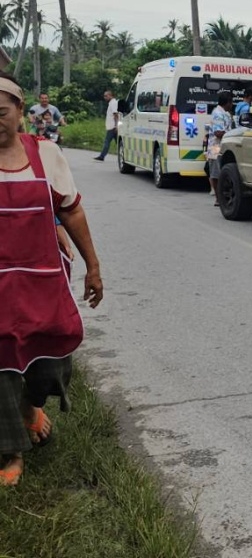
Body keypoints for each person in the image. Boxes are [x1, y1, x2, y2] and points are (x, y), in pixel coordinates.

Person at [0, 74, 103, 486]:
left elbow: (71, 210)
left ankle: (31, 406)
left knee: (53, 357)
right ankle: (10, 451)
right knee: (2, 364)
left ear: (20, 112)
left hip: (43, 282)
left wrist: (93, 267)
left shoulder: (46, 154)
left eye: (1, 111)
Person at [206, 91, 234, 206]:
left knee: (221, 171)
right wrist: (231, 134)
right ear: (227, 102)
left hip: (223, 146)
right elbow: (218, 133)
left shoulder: (225, 113)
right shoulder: (218, 113)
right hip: (215, 146)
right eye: (231, 102)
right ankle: (218, 198)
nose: (232, 104)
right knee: (215, 173)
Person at [94, 90, 120, 161]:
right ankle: (123, 155)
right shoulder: (111, 103)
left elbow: (116, 115)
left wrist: (116, 125)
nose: (104, 97)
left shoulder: (113, 103)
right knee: (119, 143)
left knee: (107, 142)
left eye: (106, 96)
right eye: (104, 96)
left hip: (113, 127)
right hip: (112, 127)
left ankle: (102, 156)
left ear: (110, 95)